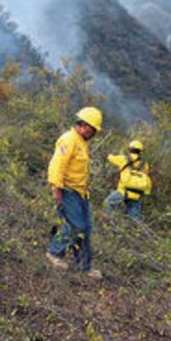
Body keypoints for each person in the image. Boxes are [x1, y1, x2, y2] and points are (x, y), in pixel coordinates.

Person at [46, 107, 104, 279]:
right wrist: (56, 188)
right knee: (75, 226)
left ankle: (83, 266)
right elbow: (57, 165)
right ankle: (54, 253)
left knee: (85, 228)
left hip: (81, 193)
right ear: (85, 125)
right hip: (68, 191)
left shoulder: (82, 143)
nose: (94, 133)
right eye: (93, 129)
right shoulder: (69, 139)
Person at [104, 140, 151, 221]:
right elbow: (145, 175)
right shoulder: (144, 164)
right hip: (136, 194)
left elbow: (110, 158)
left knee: (107, 203)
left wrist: (108, 154)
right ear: (140, 152)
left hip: (123, 191)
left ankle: (109, 222)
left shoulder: (124, 159)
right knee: (135, 218)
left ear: (129, 149)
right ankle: (136, 231)